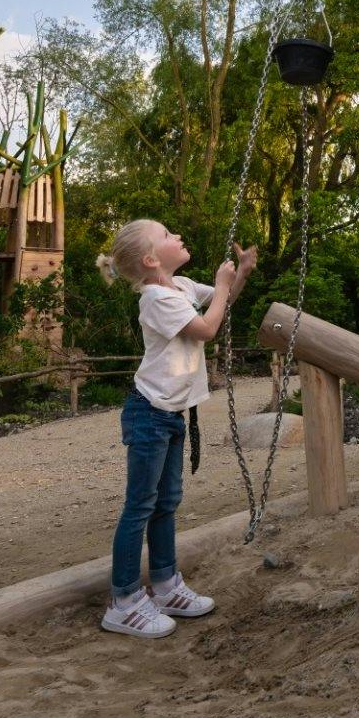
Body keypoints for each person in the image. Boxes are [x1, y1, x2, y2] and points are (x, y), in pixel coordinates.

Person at [95, 218, 256, 639]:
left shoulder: (181, 286)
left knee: (167, 502)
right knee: (140, 506)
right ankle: (124, 599)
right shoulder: (154, 298)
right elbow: (206, 329)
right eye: (167, 235)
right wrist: (222, 286)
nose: (177, 236)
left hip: (170, 413)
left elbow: (223, 303)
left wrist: (238, 276)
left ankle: (165, 585)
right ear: (151, 259)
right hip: (149, 412)